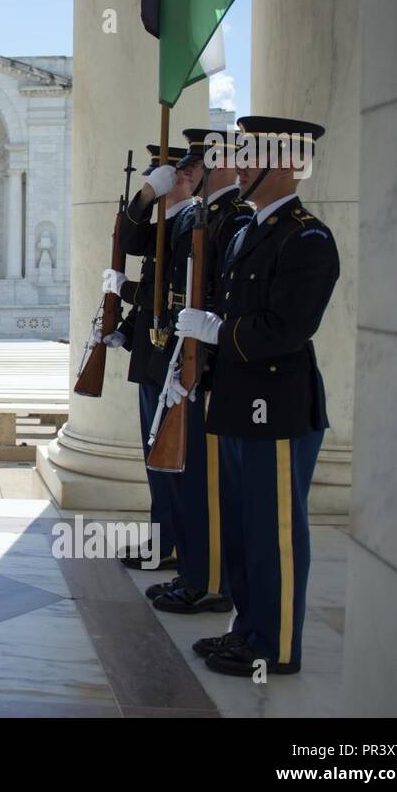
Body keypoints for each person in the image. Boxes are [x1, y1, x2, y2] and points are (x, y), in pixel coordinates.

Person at [173, 116, 337, 677]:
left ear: (288, 164)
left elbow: (285, 329)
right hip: (239, 401)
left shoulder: (307, 236)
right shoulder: (249, 232)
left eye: (250, 155)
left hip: (279, 407)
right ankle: (247, 630)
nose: (238, 165)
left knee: (276, 536)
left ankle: (276, 645)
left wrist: (215, 331)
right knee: (246, 530)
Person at [143, 129, 250, 615]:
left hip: (210, 365)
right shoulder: (204, 216)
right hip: (186, 355)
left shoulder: (233, 219)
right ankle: (195, 573)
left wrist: (207, 335)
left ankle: (207, 581)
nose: (190, 170)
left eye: (200, 162)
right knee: (190, 477)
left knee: (204, 481)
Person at [98, 144, 187, 571]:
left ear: (187, 178)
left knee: (173, 464)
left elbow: (167, 297)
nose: (158, 187)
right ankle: (163, 540)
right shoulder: (167, 225)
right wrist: (125, 330)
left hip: (172, 361)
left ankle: (176, 545)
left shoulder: (190, 224)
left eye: (164, 179)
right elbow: (130, 240)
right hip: (152, 357)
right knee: (156, 460)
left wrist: (124, 291)